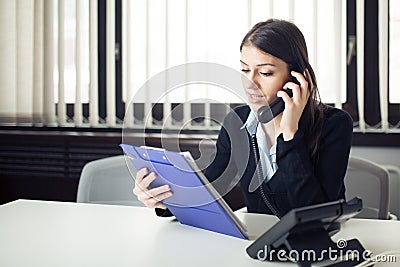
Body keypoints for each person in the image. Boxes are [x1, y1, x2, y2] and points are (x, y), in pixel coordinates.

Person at [132, 19, 353, 217]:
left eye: (265, 73)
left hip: (315, 249)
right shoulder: (237, 123)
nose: (250, 83)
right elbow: (210, 191)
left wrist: (290, 132)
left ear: (297, 78)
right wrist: (165, 200)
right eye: (245, 70)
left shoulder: (334, 124)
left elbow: (316, 212)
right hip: (258, 247)